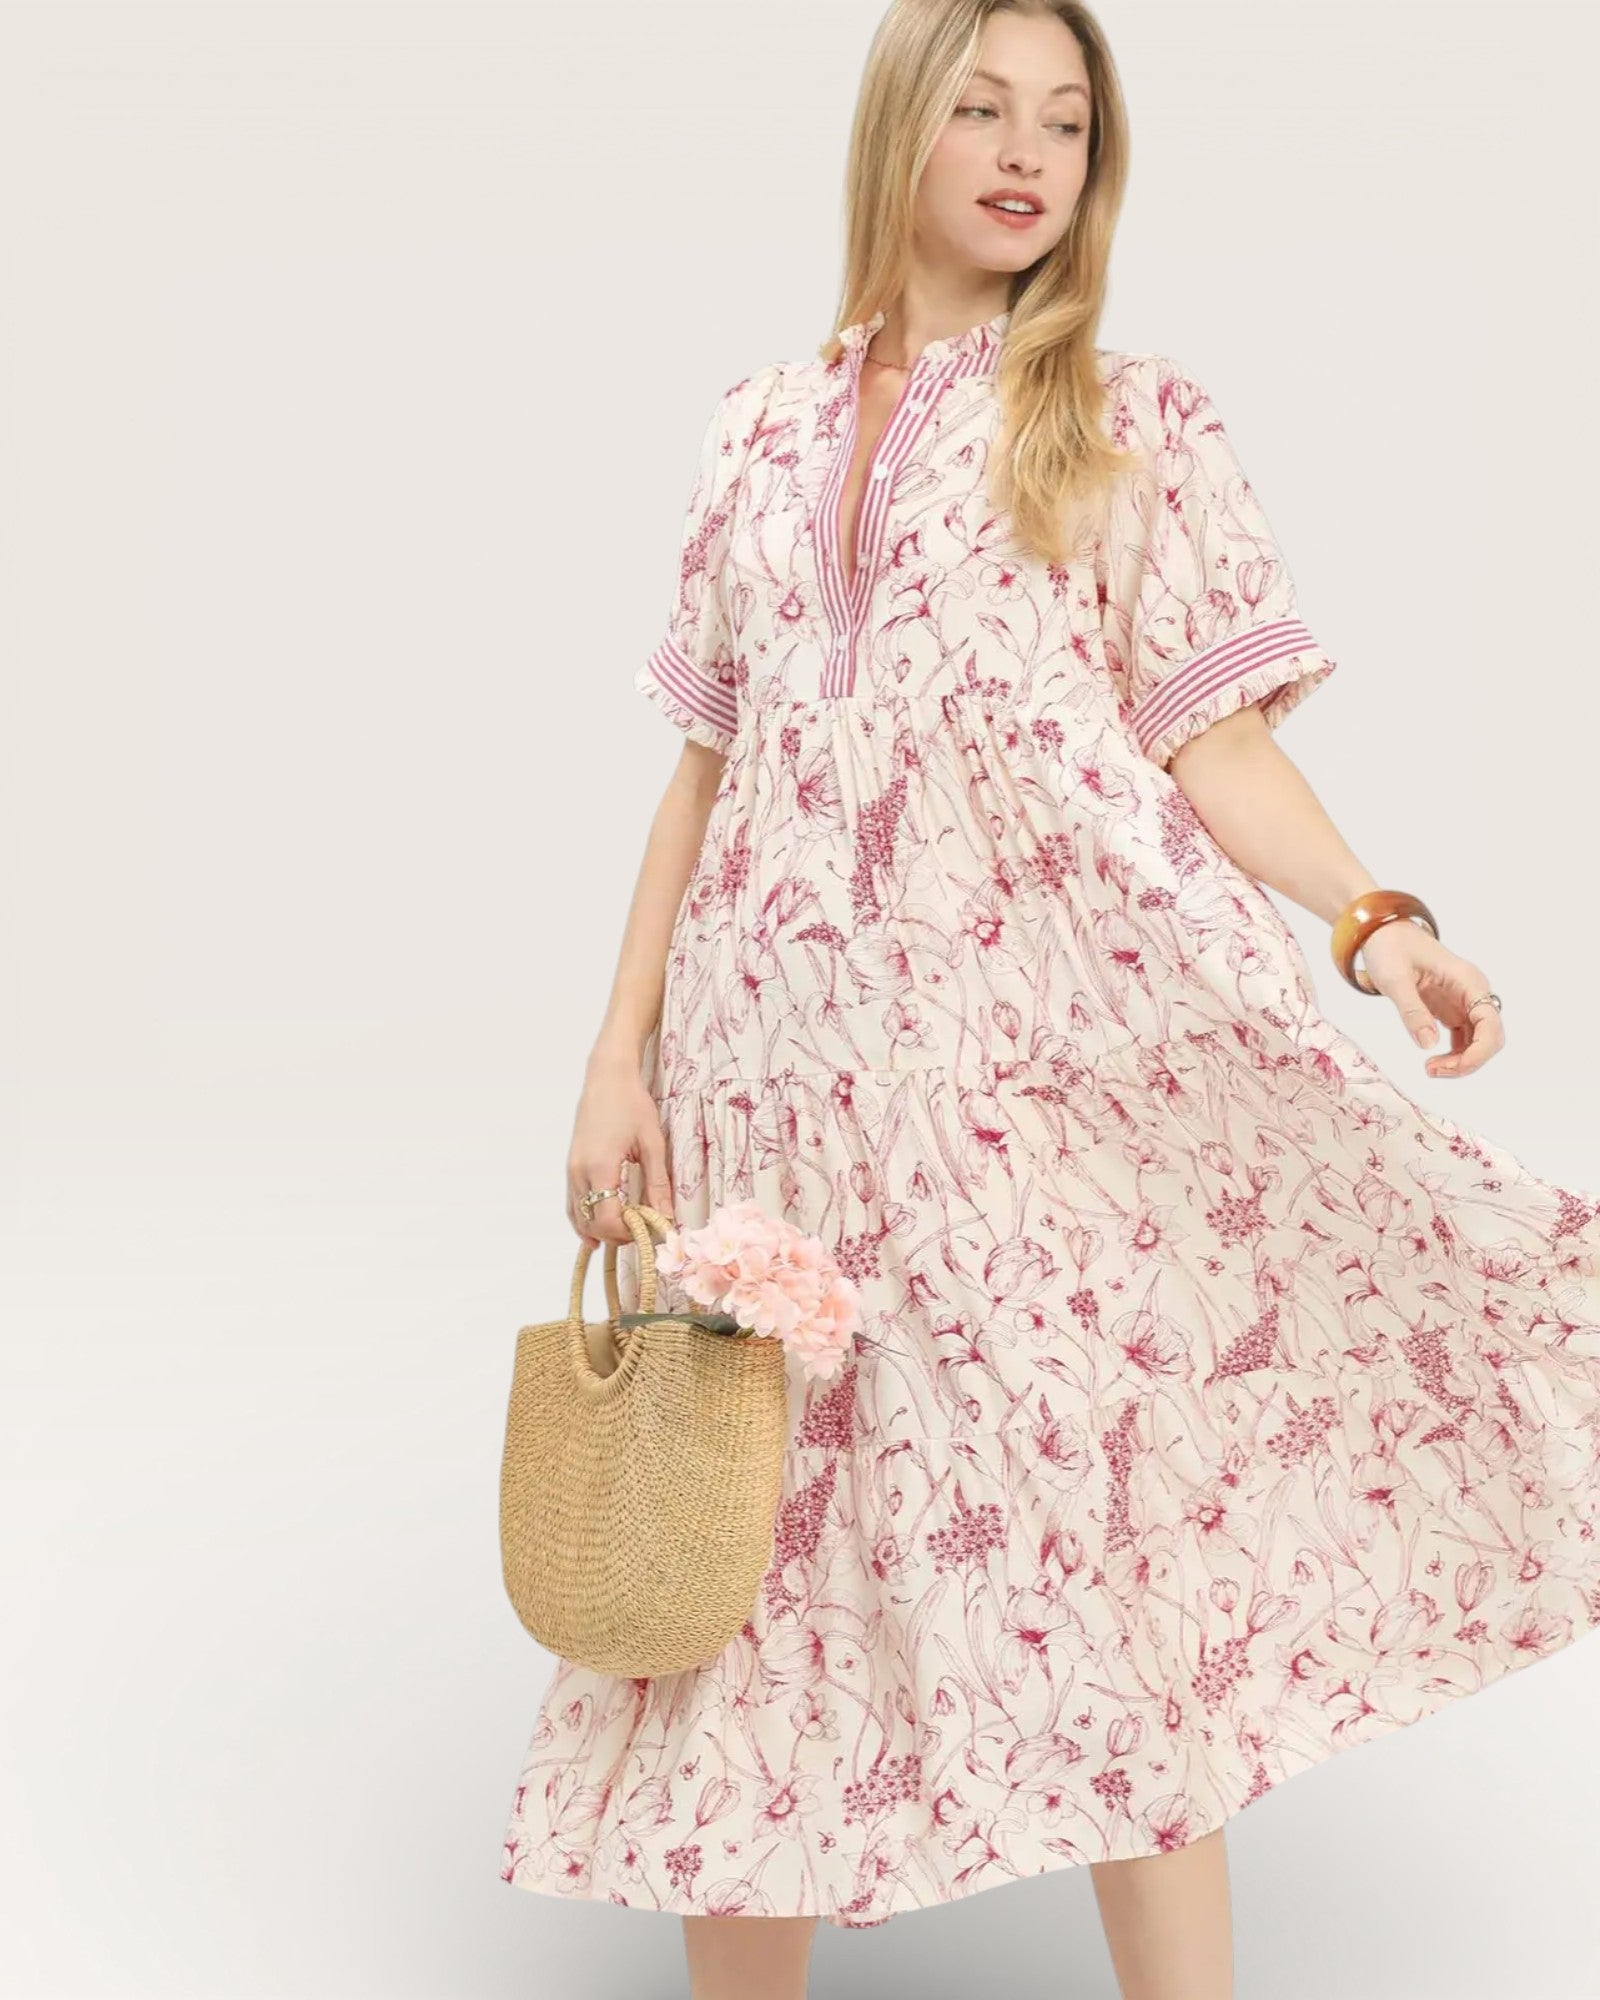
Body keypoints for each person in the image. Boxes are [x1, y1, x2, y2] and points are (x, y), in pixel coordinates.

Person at [502, 3, 1600, 1996]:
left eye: (1068, 125)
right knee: (741, 1578)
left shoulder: (1119, 422)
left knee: (1092, 1566)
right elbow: (705, 766)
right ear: (894, 131)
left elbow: (1212, 740)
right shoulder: (751, 430)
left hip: (1010, 1108)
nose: (1026, 152)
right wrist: (615, 1055)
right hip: (768, 1107)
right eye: (983, 108)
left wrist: (1373, 917)